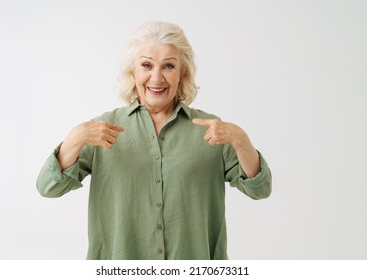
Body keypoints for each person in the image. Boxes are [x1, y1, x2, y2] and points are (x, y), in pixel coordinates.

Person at [36, 21, 271, 260]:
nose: (156, 77)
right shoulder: (100, 129)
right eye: (146, 65)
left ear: (183, 73)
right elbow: (48, 188)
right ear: (133, 72)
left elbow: (260, 190)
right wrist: (74, 139)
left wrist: (241, 140)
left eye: (168, 66)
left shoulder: (213, 130)